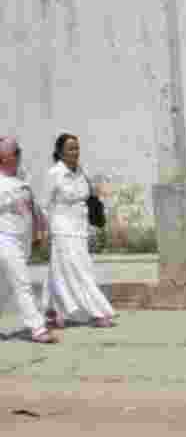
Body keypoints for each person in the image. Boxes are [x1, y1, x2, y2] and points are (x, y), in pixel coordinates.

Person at [40, 133, 116, 329]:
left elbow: (88, 197)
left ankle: (51, 311)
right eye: (71, 149)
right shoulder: (54, 174)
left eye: (77, 148)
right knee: (80, 270)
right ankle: (98, 312)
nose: (75, 152)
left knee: (59, 270)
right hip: (62, 228)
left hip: (80, 228)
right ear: (60, 152)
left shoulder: (81, 172)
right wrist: (44, 231)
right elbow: (44, 205)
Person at [0, 136, 58, 343]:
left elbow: (34, 207)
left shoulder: (21, 178)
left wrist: (41, 229)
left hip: (22, 241)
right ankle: (37, 328)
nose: (20, 155)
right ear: (4, 157)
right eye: (16, 152)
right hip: (5, 240)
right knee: (23, 282)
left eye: (19, 151)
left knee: (5, 288)